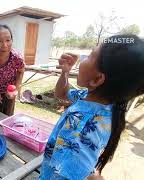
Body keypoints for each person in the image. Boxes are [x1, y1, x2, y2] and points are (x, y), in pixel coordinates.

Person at [40, 34, 144, 180]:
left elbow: (76, 173)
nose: (81, 60)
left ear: (97, 79)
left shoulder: (82, 126)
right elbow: (61, 93)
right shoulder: (93, 99)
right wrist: (65, 72)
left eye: (89, 56)